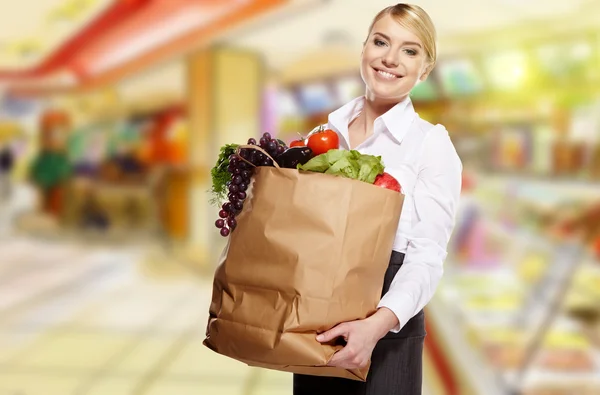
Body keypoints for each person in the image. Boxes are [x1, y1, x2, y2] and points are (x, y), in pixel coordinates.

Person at [293, 4, 462, 394]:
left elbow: (428, 254)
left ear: (426, 69)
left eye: (410, 50)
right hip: (317, 323)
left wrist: (377, 325)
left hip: (387, 328)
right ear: (364, 47)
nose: (390, 58)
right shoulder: (324, 133)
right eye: (381, 41)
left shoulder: (431, 144)